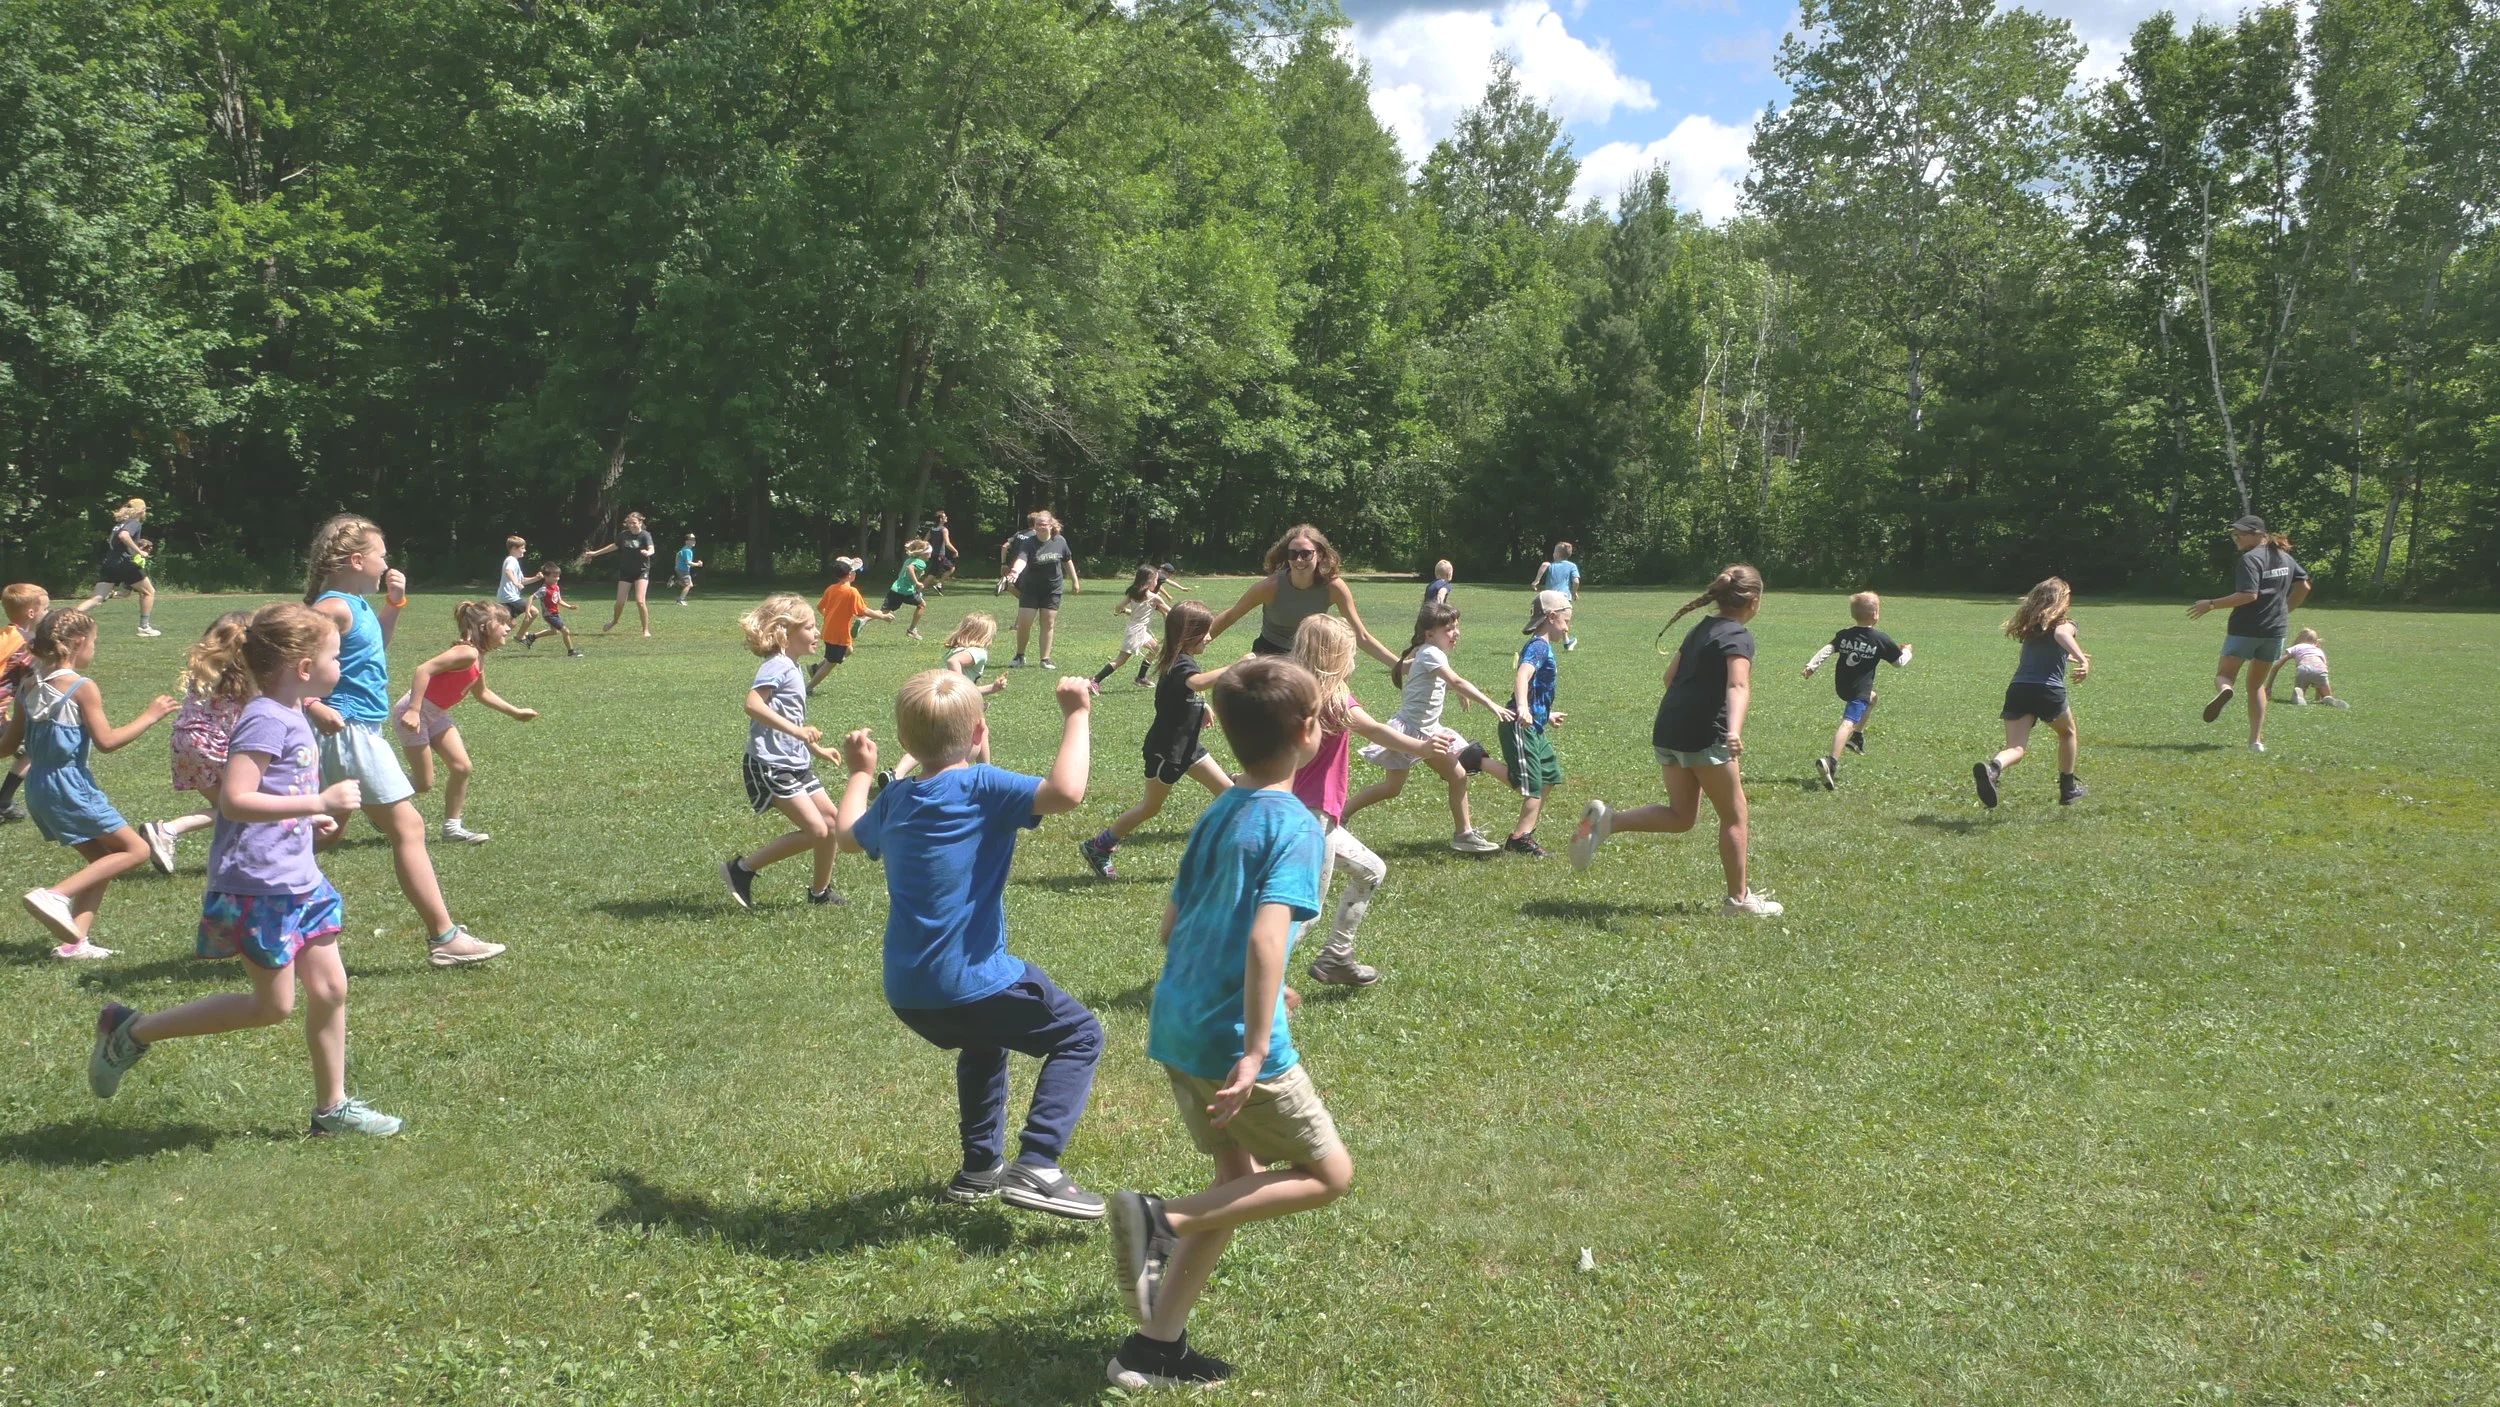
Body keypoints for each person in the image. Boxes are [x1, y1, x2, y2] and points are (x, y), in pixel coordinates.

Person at [1105, 656, 1349, 1392]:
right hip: (1230, 1041)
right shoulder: (1295, 825)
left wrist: (1267, 993)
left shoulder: (1219, 809)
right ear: (1309, 731)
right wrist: (1253, 1043)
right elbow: (1266, 937)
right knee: (1328, 1174)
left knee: (1235, 1179)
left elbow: (1174, 923)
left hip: (1177, 1020)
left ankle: (1151, 1347)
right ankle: (1161, 1217)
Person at [84, 601, 402, 1136]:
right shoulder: (263, 718)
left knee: (329, 991)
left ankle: (333, 1110)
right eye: (334, 656)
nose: (340, 665)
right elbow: (235, 800)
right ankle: (132, 1031)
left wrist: (307, 819)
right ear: (304, 669)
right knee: (271, 1006)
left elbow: (279, 788)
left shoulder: (292, 712)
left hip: (299, 877)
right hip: (259, 884)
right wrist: (317, 801)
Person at [836, 672, 1107, 1219]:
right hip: (970, 979)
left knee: (985, 1042)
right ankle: (1039, 1163)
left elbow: (845, 836)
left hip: (909, 991)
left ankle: (980, 1168)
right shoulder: (984, 787)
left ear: (906, 744)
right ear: (981, 729)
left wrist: (862, 774)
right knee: (1080, 1035)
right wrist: (1077, 712)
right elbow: (1068, 792)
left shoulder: (898, 799)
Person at [300, 514, 506, 967]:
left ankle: (243, 885)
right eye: (382, 555)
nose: (387, 563)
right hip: (346, 730)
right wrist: (312, 705)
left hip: (358, 730)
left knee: (326, 833)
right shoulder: (332, 608)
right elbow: (287, 657)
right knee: (409, 827)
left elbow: (372, 648)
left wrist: (393, 605)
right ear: (358, 560)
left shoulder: (354, 606)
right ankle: (444, 937)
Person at [1568, 566, 1783, 917]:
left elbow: (1669, 678)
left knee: (1682, 816)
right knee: (1734, 815)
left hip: (1669, 729)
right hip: (1705, 735)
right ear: (1754, 602)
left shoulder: (1700, 628)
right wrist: (1733, 730)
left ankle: (1609, 821)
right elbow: (1738, 685)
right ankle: (1738, 901)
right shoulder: (1738, 635)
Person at [1286, 615, 1450, 987]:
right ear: (1333, 656)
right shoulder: (1334, 698)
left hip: (1292, 811)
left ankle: (1337, 956)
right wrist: (1422, 748)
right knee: (1305, 912)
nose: (1355, 658)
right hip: (1312, 818)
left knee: (1371, 870)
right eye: (1350, 651)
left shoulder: (1292, 690)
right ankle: (1249, 986)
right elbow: (1375, 729)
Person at [6, 609, 177, 958]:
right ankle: (55, 895)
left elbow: (7, 747)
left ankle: (75, 942)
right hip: (70, 786)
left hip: (38, 786)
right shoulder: (82, 688)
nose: (94, 650)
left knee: (102, 858)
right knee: (137, 850)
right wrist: (150, 716)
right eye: (94, 643)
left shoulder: (27, 686)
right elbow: (107, 742)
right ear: (79, 643)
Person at [1340, 601, 1514, 854]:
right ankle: (1340, 816)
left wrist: (1455, 690)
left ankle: (1463, 834)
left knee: (1457, 775)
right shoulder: (1431, 652)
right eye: (1449, 629)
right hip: (1410, 732)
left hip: (1429, 731)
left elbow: (1441, 678)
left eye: (1456, 627)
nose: (1456, 633)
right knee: (1392, 788)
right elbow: (1454, 678)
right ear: (1430, 633)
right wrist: (1489, 704)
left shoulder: (1426, 651)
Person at [1080, 603, 1231, 880]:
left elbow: (1185, 692)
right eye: (1205, 632)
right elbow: (1196, 683)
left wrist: (1201, 707)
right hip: (1168, 750)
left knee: (1230, 794)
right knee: (1150, 807)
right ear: (1188, 634)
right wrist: (1236, 667)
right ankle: (1099, 845)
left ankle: (1225, 858)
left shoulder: (1180, 659)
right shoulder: (1181, 662)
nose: (1210, 637)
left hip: (1189, 748)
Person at [723, 594, 846, 909]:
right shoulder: (777, 664)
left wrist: (814, 748)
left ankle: (820, 893)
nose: (817, 633)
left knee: (831, 822)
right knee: (817, 829)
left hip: (795, 761)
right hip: (769, 764)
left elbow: (792, 718)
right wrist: (798, 732)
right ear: (784, 633)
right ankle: (742, 869)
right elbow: (752, 704)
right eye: (809, 627)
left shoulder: (792, 666)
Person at [393, 600, 539, 845]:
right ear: (483, 627)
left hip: (436, 714)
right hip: (414, 714)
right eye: (502, 623)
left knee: (462, 768)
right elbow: (423, 670)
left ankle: (452, 829)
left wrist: (514, 712)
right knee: (423, 782)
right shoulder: (466, 652)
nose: (508, 627)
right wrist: (414, 710)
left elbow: (481, 693)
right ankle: (379, 802)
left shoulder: (478, 657)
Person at [144, 610, 259, 872]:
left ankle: (233, 855)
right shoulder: (244, 675)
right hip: (213, 743)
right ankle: (169, 830)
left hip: (185, 740)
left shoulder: (206, 668)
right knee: (239, 806)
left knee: (226, 806)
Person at [2187, 515, 2309, 753]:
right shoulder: (2285, 557)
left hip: (2245, 628)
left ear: (2258, 534)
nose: (2237, 538)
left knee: (2224, 676)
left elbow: (2248, 595)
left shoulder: (2249, 559)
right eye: (2235, 534)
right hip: (2274, 631)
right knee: (2256, 686)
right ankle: (2256, 742)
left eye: (2241, 534)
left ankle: (2225, 691)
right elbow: (2304, 585)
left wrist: (2210, 604)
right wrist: (2286, 609)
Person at [1971, 577, 2091, 810]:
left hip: (2019, 689)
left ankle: (1993, 769)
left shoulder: (2031, 628)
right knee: (2067, 733)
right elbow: (2061, 636)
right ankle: (2067, 789)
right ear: (2062, 600)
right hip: (2047, 690)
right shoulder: (2066, 624)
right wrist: (2083, 660)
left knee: (2016, 747)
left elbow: (2047, 652)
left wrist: (2070, 656)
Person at [1205, 525, 1399, 668]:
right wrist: (1192, 643)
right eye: (1293, 553)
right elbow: (1232, 615)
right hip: (1269, 655)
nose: (1298, 560)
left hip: (1310, 657)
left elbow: (1361, 636)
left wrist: (1399, 665)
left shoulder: (1333, 587)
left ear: (1320, 555)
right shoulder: (1270, 586)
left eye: (1306, 554)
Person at [1801, 591, 1912, 790]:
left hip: (1842, 686)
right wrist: (1907, 651)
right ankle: (1831, 762)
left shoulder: (1845, 634)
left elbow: (1828, 649)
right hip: (1858, 690)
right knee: (1848, 722)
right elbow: (1899, 663)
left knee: (1873, 698)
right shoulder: (1880, 639)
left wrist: (1811, 666)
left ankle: (1857, 738)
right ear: (1875, 614)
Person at [882, 613, 1009, 786]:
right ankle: (986, 775)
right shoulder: (978, 653)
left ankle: (896, 774)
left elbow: (957, 668)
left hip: (942, 700)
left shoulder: (955, 649)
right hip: (958, 705)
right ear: (984, 635)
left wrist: (992, 688)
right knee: (981, 732)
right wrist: (962, 691)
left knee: (930, 741)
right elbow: (953, 662)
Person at [1493, 591, 1572, 856]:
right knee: (1530, 785)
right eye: (1565, 621)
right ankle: (1520, 837)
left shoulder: (1543, 646)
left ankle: (1523, 834)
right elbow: (1523, 676)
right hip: (1521, 725)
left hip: (1535, 725)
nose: (1567, 627)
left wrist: (1545, 715)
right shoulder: (1538, 645)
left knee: (1548, 776)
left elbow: (1537, 687)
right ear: (1551, 617)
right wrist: (1524, 709)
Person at [0, 583, 52, 823]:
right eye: (46, 609)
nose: (47, 614)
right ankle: (3, 803)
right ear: (32, 613)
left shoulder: (7, 635)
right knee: (33, 747)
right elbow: (44, 673)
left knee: (21, 744)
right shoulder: (27, 644)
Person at [73, 497, 161, 636]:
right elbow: (124, 536)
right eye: (145, 510)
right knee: (149, 592)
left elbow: (115, 541)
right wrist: (139, 551)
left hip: (109, 562)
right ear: (141, 511)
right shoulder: (134, 522)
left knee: (97, 598)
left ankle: (67, 619)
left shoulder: (119, 524)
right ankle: (144, 627)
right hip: (124, 563)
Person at [805, 560, 894, 693]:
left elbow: (819, 606)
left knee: (848, 650)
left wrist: (829, 617)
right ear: (850, 574)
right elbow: (863, 611)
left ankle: (815, 669)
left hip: (830, 630)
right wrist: (882, 616)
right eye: (854, 571)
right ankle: (808, 688)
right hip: (838, 634)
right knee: (831, 663)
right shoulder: (852, 591)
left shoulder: (831, 589)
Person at [1009, 511, 1080, 668]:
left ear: (1050, 525)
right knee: (1024, 623)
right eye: (1037, 524)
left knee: (1048, 623)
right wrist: (1015, 570)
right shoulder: (1028, 542)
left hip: (1052, 589)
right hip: (1030, 589)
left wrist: (1075, 581)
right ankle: (1019, 656)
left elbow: (1068, 561)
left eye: (1043, 524)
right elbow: (1022, 559)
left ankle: (1045, 659)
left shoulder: (1059, 541)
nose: (1040, 527)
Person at [1090, 567, 1171, 692]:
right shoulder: (1154, 597)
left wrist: (1119, 612)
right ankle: (1095, 680)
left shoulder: (1133, 593)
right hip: (1136, 632)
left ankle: (1141, 677)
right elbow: (1170, 611)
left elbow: (1119, 607)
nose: (1157, 583)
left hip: (1136, 629)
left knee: (1154, 648)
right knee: (1121, 660)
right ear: (1149, 581)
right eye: (1155, 580)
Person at [583, 510, 659, 637]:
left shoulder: (645, 535)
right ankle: (614, 621)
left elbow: (651, 548)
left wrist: (648, 553)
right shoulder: (623, 535)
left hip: (641, 571)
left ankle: (645, 630)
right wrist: (595, 553)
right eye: (629, 523)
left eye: (634, 523)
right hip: (626, 572)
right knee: (620, 602)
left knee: (640, 601)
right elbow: (614, 546)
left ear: (640, 522)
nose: (631, 525)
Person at [519, 563, 583, 655]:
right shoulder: (543, 590)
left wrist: (569, 606)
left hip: (555, 613)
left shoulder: (556, 587)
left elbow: (558, 600)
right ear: (545, 576)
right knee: (566, 631)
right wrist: (527, 611)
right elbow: (531, 598)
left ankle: (531, 637)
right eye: (554, 576)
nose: (557, 579)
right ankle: (571, 652)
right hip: (549, 615)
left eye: (558, 576)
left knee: (554, 631)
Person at [1530, 542, 1580, 649]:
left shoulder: (1551, 565)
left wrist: (1536, 580)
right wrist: (1574, 591)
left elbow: (1544, 564)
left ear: (1556, 554)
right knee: (1561, 620)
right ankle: (1565, 642)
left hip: (1549, 597)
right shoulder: (1572, 566)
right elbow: (1576, 581)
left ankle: (1537, 641)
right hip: (1563, 597)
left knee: (1544, 620)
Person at [2286, 628, 2348, 707]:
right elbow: (2323, 669)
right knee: (2324, 691)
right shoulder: (2319, 651)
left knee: (2300, 689)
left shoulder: (2297, 647)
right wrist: (2317, 699)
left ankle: (2299, 696)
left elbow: (2277, 665)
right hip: (2320, 669)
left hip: (2303, 668)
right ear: (2316, 642)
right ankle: (2327, 698)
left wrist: (2269, 686)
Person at [883, 539, 932, 640]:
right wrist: (916, 583)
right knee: (922, 605)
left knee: (883, 611)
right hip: (906, 592)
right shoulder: (921, 562)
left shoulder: (908, 560)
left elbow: (901, 573)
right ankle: (911, 630)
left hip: (895, 589)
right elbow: (910, 569)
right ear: (924, 554)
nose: (930, 556)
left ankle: (864, 619)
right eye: (929, 553)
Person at [495, 535, 542, 635]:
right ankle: (520, 636)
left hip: (506, 597)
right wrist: (515, 583)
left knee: (511, 623)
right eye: (522, 548)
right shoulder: (512, 560)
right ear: (513, 548)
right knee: (534, 612)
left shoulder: (513, 561)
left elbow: (522, 581)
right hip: (510, 597)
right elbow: (508, 571)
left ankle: (491, 640)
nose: (524, 550)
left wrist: (536, 578)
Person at [925, 511, 959, 593]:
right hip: (940, 555)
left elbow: (925, 541)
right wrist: (955, 551)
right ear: (941, 519)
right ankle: (920, 589)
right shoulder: (944, 530)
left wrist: (930, 549)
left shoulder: (932, 529)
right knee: (950, 568)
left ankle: (938, 585)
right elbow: (947, 543)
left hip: (934, 554)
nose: (946, 517)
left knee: (935, 572)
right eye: (945, 516)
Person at [672, 535, 703, 605]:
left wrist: (676, 566)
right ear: (686, 541)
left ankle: (676, 581)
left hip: (680, 569)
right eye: (691, 540)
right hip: (683, 570)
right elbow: (688, 563)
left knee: (690, 584)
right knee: (688, 585)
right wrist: (698, 564)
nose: (694, 541)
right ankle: (680, 600)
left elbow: (677, 555)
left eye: (694, 539)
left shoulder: (684, 549)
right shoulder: (687, 550)